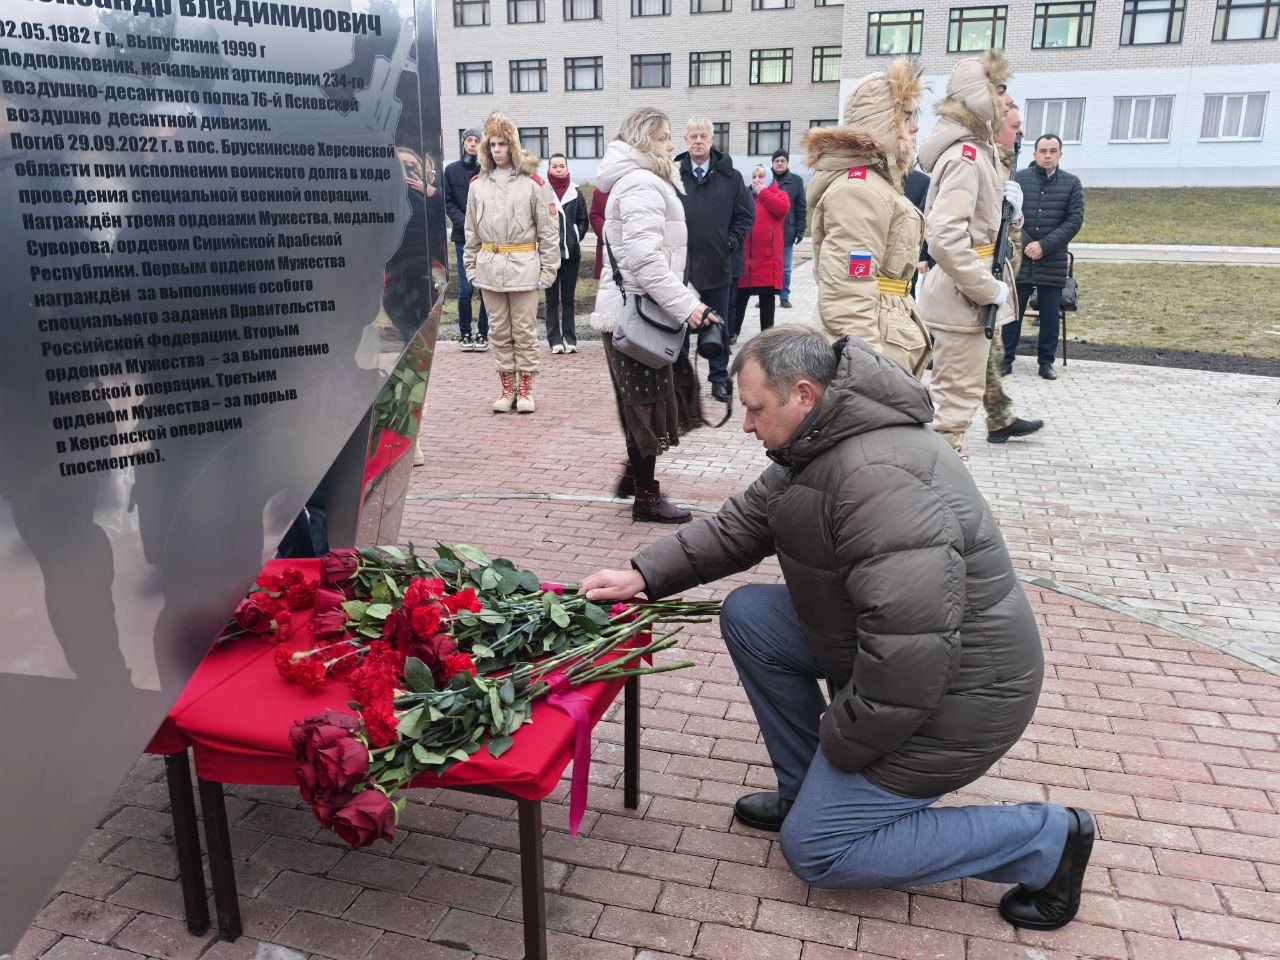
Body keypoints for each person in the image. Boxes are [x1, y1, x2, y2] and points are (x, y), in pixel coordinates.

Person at [581, 326, 1095, 933]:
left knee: (820, 852)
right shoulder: (823, 439)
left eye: (753, 409)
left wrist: (840, 741)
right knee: (750, 616)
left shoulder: (880, 481)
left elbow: (910, 662)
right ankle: (807, 792)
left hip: (962, 696)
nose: (746, 425)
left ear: (803, 394)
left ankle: (1044, 841)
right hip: (910, 668)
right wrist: (642, 574)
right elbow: (740, 526)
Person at [589, 107, 717, 524]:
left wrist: (687, 301)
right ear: (646, 140)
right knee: (644, 405)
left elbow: (657, 259)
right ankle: (646, 497)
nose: (673, 144)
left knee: (644, 401)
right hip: (642, 315)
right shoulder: (642, 182)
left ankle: (634, 478)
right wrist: (689, 307)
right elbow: (647, 262)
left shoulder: (641, 181)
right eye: (665, 137)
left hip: (640, 311)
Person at [917, 51, 1042, 454]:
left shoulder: (979, 154)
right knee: (951, 408)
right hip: (962, 298)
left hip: (964, 297)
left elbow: (982, 228)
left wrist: (1014, 214)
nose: (1007, 101)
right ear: (979, 97)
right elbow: (945, 239)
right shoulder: (966, 159)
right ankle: (929, 502)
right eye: (1000, 90)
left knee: (958, 404)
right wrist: (989, 289)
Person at [804, 56, 932, 378]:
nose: (914, 127)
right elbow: (847, 295)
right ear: (883, 123)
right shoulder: (859, 190)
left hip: (885, 334)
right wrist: (872, 374)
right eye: (906, 117)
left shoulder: (877, 185)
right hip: (874, 345)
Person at [464, 114, 559, 413]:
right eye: (492, 144)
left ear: (513, 146)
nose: (497, 150)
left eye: (502, 144)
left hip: (523, 268)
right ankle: (507, 389)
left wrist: (549, 270)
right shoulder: (477, 185)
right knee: (498, 331)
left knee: (524, 331)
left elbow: (548, 230)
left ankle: (526, 389)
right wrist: (470, 267)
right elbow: (470, 231)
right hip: (489, 268)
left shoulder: (533, 183)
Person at [676, 116, 754, 403]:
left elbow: (745, 216)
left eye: (703, 136)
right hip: (680, 270)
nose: (698, 141)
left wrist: (729, 243)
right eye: (693, 136)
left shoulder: (730, 177)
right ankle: (680, 381)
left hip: (717, 265)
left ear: (712, 140)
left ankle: (719, 379)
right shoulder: (673, 174)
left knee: (716, 325)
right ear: (686, 141)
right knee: (679, 328)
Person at [1005, 135, 1085, 380]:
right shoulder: (1018, 179)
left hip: (1053, 259)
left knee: (1050, 315)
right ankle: (1005, 359)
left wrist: (1044, 246)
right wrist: (1029, 244)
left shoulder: (1072, 183)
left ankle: (1046, 362)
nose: (1047, 155)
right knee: (1012, 314)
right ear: (1035, 154)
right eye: (1042, 150)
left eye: (1052, 151)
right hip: (1022, 257)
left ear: (1060, 154)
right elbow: (1008, 214)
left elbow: (1074, 221)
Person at [443, 128, 490, 352]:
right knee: (465, 289)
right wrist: (465, 222)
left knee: (485, 288)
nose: (472, 144)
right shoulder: (451, 171)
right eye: (468, 140)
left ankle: (483, 332)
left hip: (487, 239)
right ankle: (464, 333)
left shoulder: (488, 170)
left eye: (476, 141)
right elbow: (448, 202)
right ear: (463, 144)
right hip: (463, 238)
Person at [733, 165, 789, 338]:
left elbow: (781, 209)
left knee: (767, 298)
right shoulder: (744, 196)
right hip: (746, 258)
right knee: (739, 298)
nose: (757, 179)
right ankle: (733, 332)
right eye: (754, 176)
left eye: (761, 176)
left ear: (769, 178)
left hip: (767, 258)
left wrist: (764, 193)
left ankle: (767, 334)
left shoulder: (779, 194)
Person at [545, 152, 589, 354]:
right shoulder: (542, 191)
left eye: (561, 166)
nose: (558, 169)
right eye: (554, 166)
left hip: (571, 255)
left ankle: (570, 338)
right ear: (549, 169)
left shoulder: (576, 192)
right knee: (552, 299)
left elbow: (583, 220)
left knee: (569, 299)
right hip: (550, 255)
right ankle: (554, 339)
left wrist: (575, 236)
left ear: (567, 169)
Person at [770, 149, 807, 308]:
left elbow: (801, 208)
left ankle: (784, 296)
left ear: (787, 163)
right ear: (772, 163)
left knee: (785, 267)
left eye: (782, 161)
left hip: (787, 231)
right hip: (768, 232)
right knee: (768, 266)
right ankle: (767, 296)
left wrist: (800, 229)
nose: (779, 163)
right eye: (777, 161)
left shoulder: (796, 181)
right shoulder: (766, 179)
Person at [589, 185, 609, 280]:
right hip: (606, 246)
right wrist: (608, 233)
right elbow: (594, 215)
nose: (558, 170)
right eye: (555, 168)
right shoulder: (599, 192)